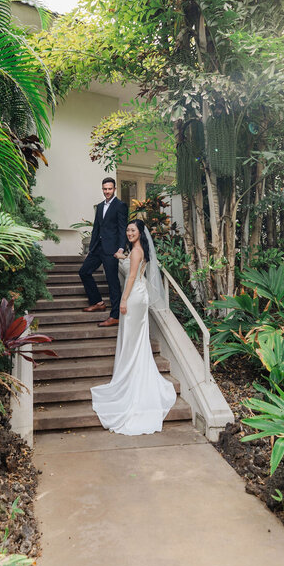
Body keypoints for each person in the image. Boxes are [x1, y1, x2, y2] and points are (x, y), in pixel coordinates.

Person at [91, 219, 176, 435]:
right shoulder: (135, 251)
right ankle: (131, 372)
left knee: (132, 338)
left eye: (133, 230)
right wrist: (122, 257)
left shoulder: (137, 252)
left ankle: (132, 379)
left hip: (134, 297)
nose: (129, 233)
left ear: (140, 233)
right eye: (127, 230)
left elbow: (131, 277)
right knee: (134, 338)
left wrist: (122, 299)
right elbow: (132, 264)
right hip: (139, 295)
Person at [79, 177, 129, 327]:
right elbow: (96, 229)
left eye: (110, 189)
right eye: (105, 189)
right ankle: (97, 302)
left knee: (112, 281)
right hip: (97, 248)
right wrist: (91, 249)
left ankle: (115, 316)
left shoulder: (120, 205)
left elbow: (122, 228)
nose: (107, 191)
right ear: (102, 189)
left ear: (114, 189)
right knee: (84, 272)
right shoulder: (100, 206)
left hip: (111, 249)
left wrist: (120, 248)